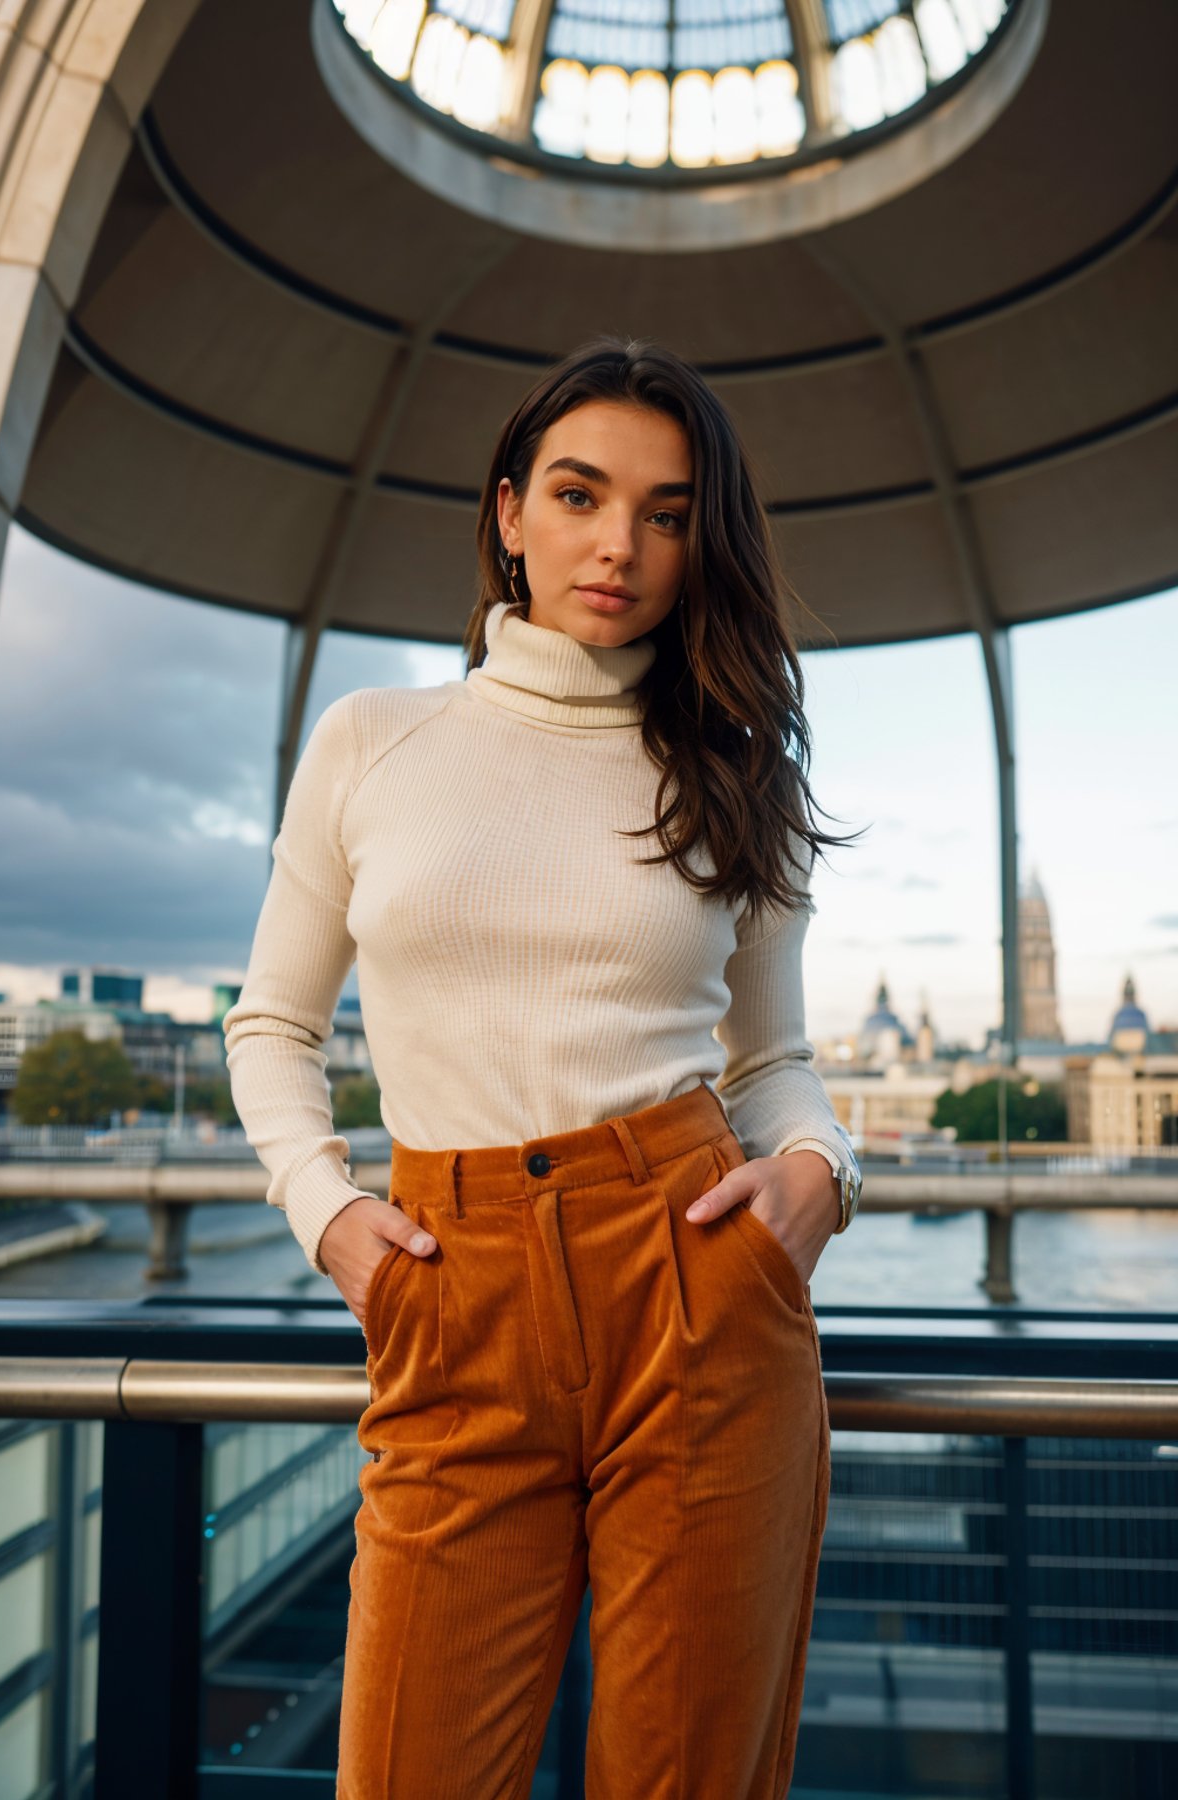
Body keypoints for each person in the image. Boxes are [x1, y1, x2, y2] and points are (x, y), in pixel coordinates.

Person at [222, 333, 864, 1799]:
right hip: (453, 1290)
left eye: (665, 511)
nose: (618, 546)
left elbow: (774, 1061)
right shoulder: (377, 742)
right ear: (508, 511)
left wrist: (822, 1179)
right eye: (579, 496)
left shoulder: (733, 765)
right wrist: (328, 1217)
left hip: (697, 1285)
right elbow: (272, 1023)